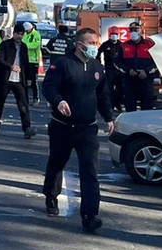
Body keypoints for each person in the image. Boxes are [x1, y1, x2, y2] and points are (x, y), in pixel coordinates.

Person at [41, 27, 115, 233]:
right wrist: (59, 101)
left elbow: (103, 95)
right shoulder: (62, 65)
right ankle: (51, 196)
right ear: (79, 44)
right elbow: (48, 87)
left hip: (87, 129)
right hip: (62, 127)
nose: (94, 46)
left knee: (90, 171)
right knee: (57, 163)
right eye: (90, 43)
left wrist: (109, 118)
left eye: (96, 43)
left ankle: (90, 215)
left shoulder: (98, 68)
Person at [0, 25, 34, 138]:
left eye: (22, 34)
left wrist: (30, 78)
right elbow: (0, 59)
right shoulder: (5, 45)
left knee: (23, 104)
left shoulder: (24, 47)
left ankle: (27, 128)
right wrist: (10, 66)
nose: (19, 36)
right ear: (14, 33)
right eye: (18, 34)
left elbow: (26, 63)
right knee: (0, 102)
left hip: (19, 80)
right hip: (6, 78)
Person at [119, 22, 157, 111]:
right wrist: (128, 70)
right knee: (130, 107)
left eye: (136, 29)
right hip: (129, 81)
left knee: (147, 108)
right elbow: (117, 62)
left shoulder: (150, 45)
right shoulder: (123, 46)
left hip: (146, 81)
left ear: (141, 30)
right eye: (131, 30)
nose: (133, 32)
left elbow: (157, 62)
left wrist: (146, 71)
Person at [98, 32, 125, 110]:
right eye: (112, 35)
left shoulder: (121, 44)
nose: (114, 36)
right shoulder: (105, 44)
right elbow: (98, 52)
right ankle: (110, 104)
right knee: (109, 87)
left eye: (116, 34)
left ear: (118, 36)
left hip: (119, 69)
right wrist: (100, 63)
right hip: (109, 69)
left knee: (120, 88)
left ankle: (118, 104)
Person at [21, 21, 44, 101]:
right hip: (25, 60)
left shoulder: (36, 34)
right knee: (24, 79)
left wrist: (25, 46)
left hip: (34, 61)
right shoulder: (25, 34)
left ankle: (36, 97)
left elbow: (35, 45)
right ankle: (25, 98)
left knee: (34, 80)